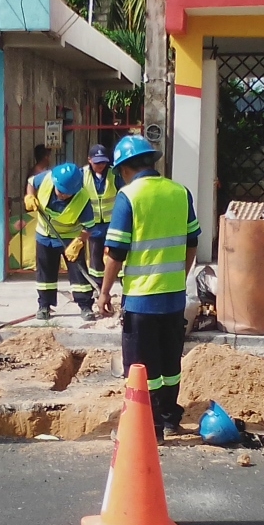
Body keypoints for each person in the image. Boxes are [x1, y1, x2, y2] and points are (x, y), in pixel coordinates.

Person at [94, 136, 200, 442]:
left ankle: (149, 428)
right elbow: (192, 242)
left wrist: (103, 293)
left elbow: (116, 251)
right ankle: (170, 420)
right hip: (174, 297)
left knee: (141, 368)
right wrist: (179, 275)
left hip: (141, 301)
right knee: (170, 365)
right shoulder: (180, 192)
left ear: (124, 168)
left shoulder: (129, 197)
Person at [23, 162, 97, 321]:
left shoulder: (82, 199)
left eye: (67, 193)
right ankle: (44, 306)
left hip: (70, 238)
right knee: (45, 273)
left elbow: (89, 226)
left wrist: (78, 243)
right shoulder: (48, 178)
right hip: (44, 234)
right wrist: (29, 196)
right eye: (60, 191)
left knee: (79, 274)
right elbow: (31, 182)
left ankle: (85, 306)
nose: (62, 195)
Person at [82, 143, 118, 289]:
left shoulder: (115, 173)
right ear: (89, 160)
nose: (100, 165)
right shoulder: (82, 174)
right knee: (96, 258)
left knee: (116, 253)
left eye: (103, 162)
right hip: (93, 224)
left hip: (113, 223)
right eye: (97, 162)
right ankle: (98, 287)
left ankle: (121, 284)